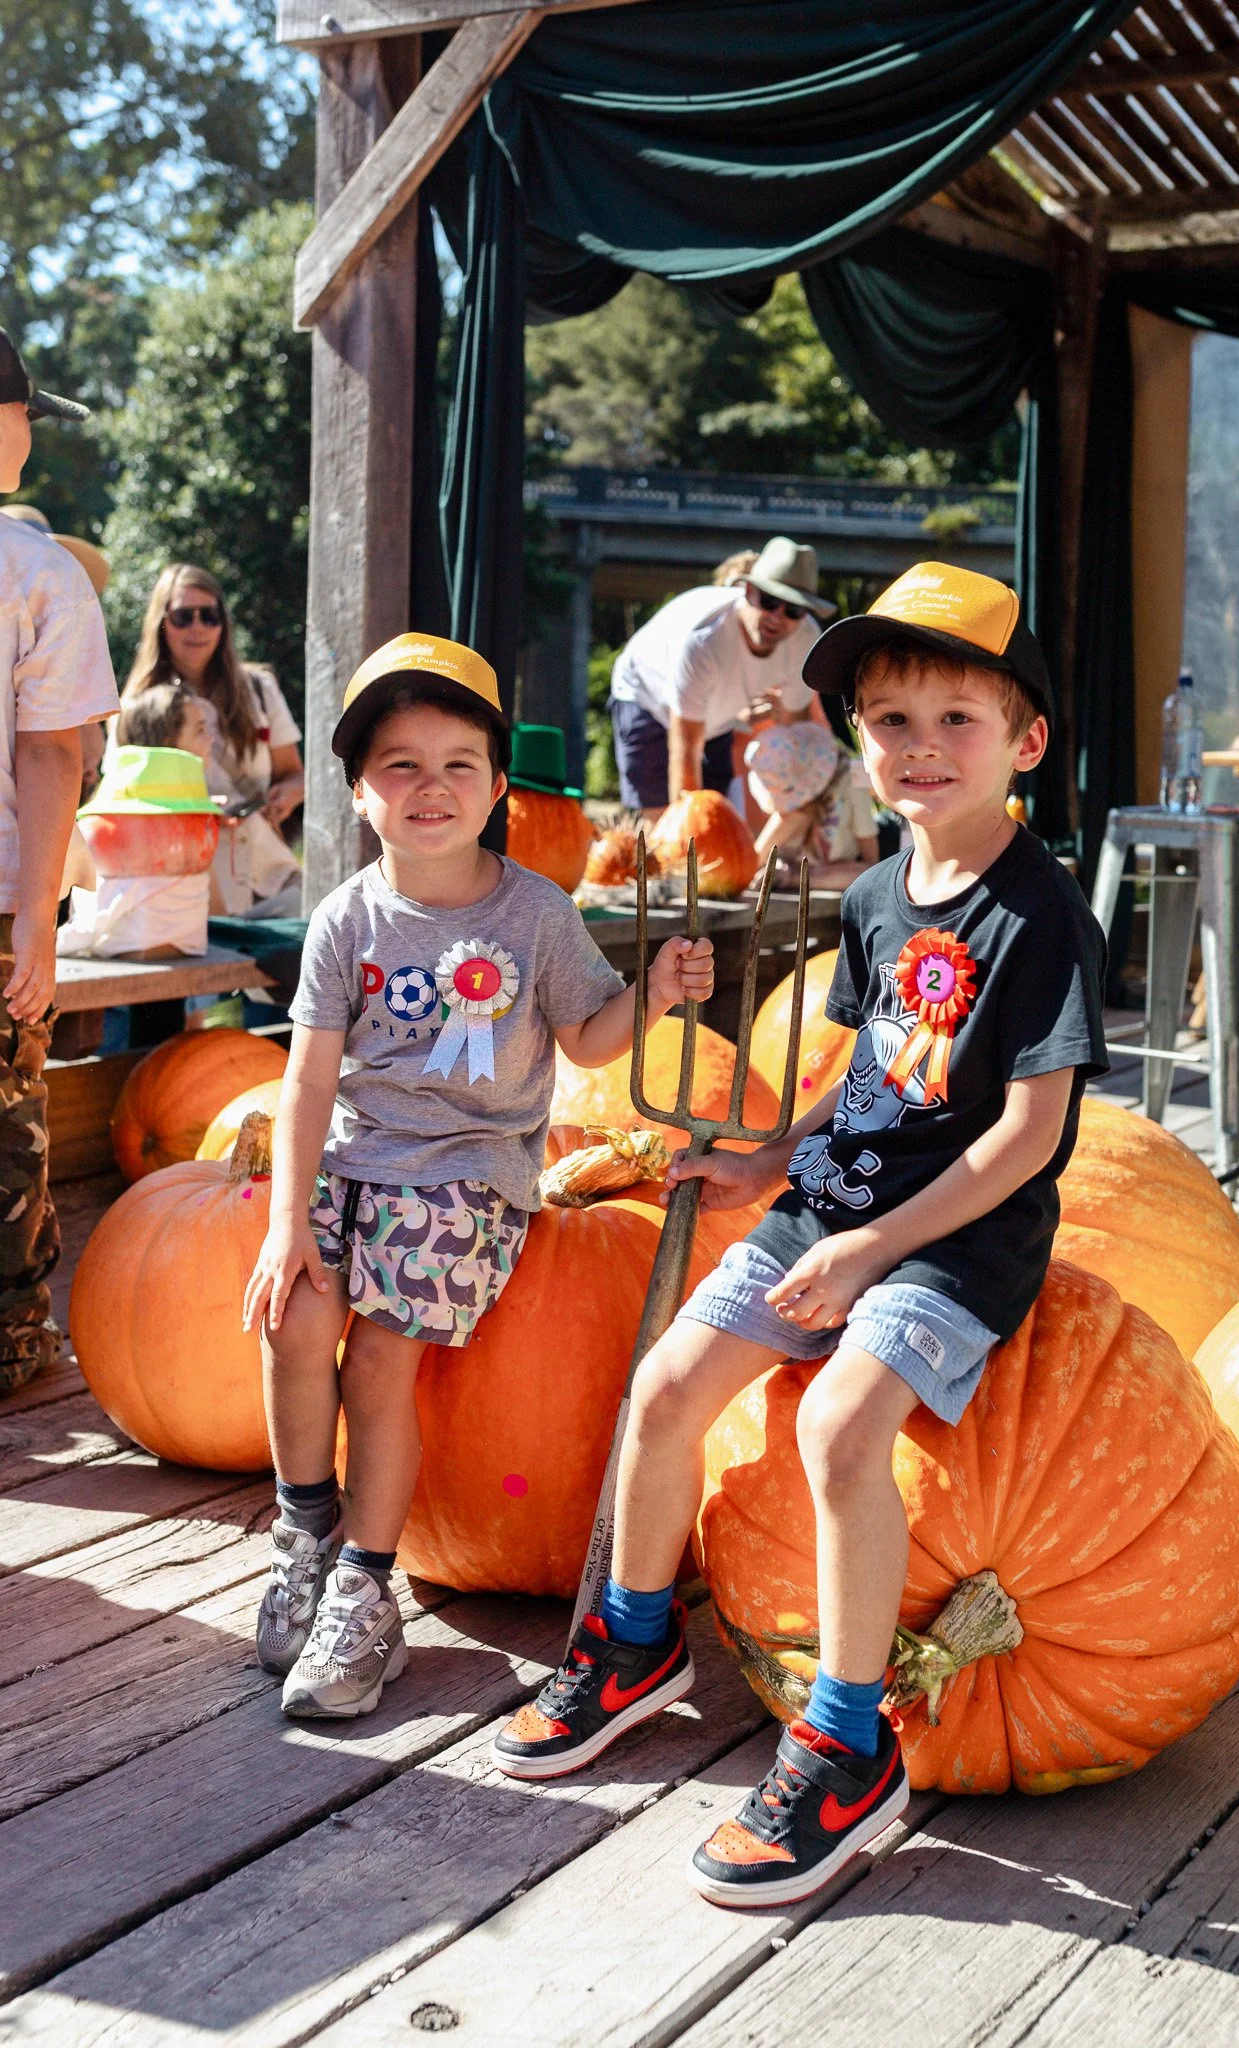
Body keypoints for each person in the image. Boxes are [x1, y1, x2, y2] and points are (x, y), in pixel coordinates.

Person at [493, 561, 1108, 1909]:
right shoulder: (884, 893)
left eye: (957, 719)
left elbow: (1025, 1138)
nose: (919, 748)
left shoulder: (1041, 913)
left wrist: (873, 1247)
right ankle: (636, 1644)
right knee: (662, 1388)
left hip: (959, 1237)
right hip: (830, 1204)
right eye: (891, 721)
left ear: (1026, 742)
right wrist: (778, 1157)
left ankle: (843, 1741)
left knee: (838, 1427)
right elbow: (880, 1072)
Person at [242, 632, 714, 1720]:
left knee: (378, 1358)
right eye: (400, 763)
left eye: (459, 762)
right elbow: (311, 1080)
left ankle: (367, 1583)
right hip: (354, 1157)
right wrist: (286, 1226)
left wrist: (651, 993)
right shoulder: (346, 916)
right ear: (360, 791)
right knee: (295, 1321)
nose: (431, 785)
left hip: (464, 1177)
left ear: (499, 787)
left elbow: (589, 1043)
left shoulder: (537, 913)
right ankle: (303, 1532)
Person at [0, 330, 119, 1388]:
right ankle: (6, 1337)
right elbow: (50, 753)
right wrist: (37, 912)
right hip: (0, 895)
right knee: (3, 1123)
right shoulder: (37, 570)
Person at [609, 536, 835, 821]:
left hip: (716, 720)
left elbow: (791, 734)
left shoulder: (805, 640)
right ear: (749, 590)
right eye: (769, 601)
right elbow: (685, 748)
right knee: (663, 819)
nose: (778, 617)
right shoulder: (705, 638)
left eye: (794, 609)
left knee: (716, 813)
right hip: (646, 696)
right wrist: (686, 835)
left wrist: (798, 804)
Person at [122, 565, 304, 917]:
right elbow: (127, 797)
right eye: (182, 616)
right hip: (185, 880)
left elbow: (294, 774)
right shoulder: (137, 703)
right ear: (161, 622)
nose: (198, 627)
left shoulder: (258, 689)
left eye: (209, 615)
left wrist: (285, 797)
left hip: (267, 875)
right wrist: (196, 810)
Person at [744, 719, 879, 890]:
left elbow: (871, 866)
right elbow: (754, 861)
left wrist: (796, 877)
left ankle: (797, 878)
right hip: (795, 874)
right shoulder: (791, 812)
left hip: (834, 873)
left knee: (864, 874)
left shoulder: (850, 781)